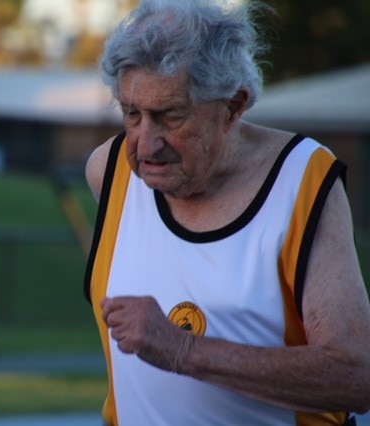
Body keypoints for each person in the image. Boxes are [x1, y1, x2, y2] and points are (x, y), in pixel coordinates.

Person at [83, 0, 370, 424]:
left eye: (170, 116)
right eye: (132, 114)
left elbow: (356, 377)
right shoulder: (108, 171)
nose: (145, 145)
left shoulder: (302, 180)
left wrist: (183, 350)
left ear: (233, 106)